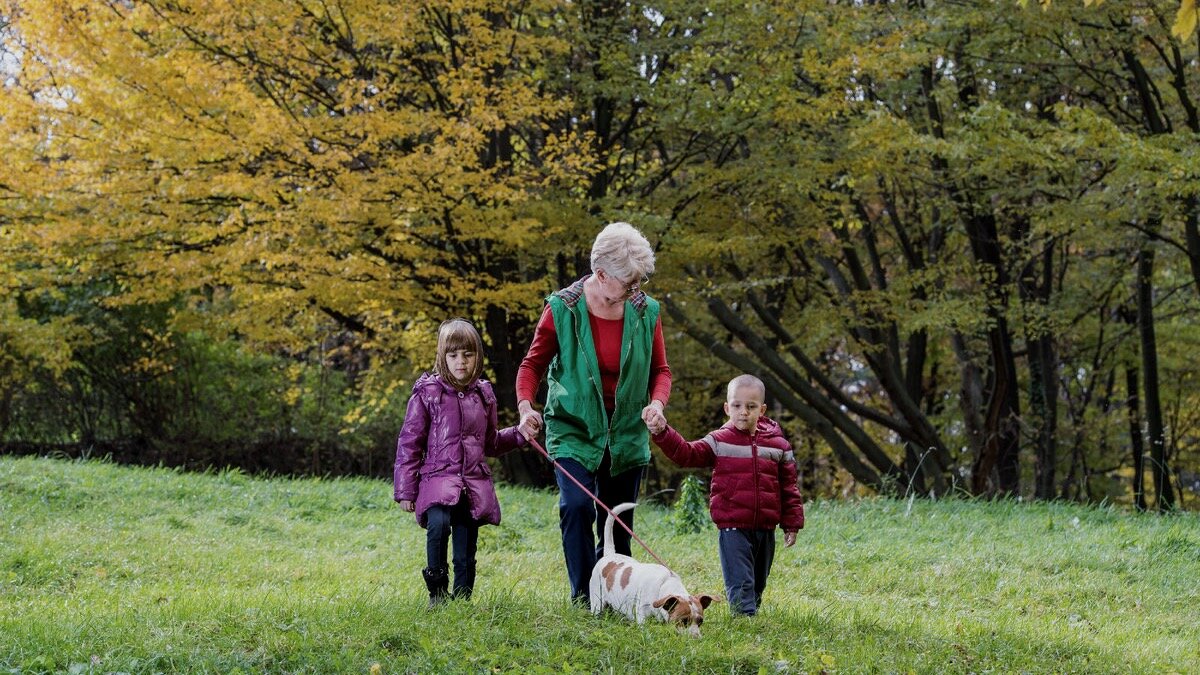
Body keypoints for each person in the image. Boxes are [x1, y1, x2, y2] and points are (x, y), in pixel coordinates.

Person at [516, 222, 672, 604]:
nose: (637, 290)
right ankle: (585, 598)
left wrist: (656, 404)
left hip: (625, 431)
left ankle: (620, 600)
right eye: (629, 283)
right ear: (601, 275)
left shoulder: (645, 312)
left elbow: (661, 371)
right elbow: (531, 366)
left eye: (639, 282)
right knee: (576, 506)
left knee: (618, 521)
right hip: (574, 426)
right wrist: (525, 407)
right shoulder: (562, 309)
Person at [395, 318, 536, 607]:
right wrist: (406, 491)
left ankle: (462, 599)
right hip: (436, 480)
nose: (461, 362)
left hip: (471, 483)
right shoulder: (427, 393)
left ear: (477, 357)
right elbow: (410, 442)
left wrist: (520, 434)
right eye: (453, 355)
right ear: (442, 357)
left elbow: (491, 443)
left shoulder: (483, 395)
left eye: (468, 355)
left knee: (465, 545)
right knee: (438, 525)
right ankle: (437, 593)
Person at [643, 373, 804, 617]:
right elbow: (687, 454)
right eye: (737, 406)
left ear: (762, 410)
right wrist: (663, 432)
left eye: (751, 407)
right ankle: (743, 617)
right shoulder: (719, 441)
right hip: (732, 526)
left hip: (766, 526)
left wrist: (791, 523)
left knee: (758, 579)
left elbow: (788, 487)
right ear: (727, 408)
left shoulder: (778, 445)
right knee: (741, 579)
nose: (743, 412)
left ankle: (751, 608)